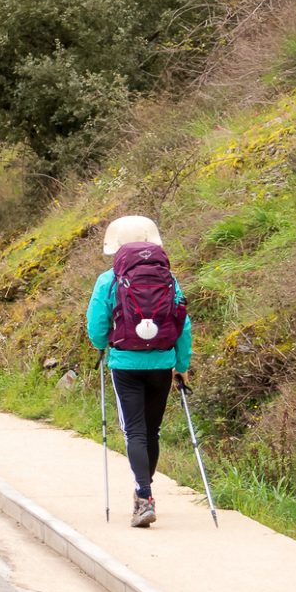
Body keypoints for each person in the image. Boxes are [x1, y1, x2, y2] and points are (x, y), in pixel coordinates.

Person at [86, 214, 192, 528]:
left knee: (134, 431)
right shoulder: (170, 279)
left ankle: (143, 496)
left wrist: (103, 344)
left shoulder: (108, 280)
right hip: (162, 363)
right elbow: (182, 323)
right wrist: (181, 367)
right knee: (151, 431)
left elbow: (96, 325)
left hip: (125, 364)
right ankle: (145, 492)